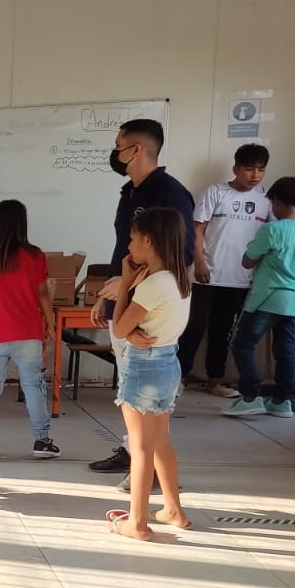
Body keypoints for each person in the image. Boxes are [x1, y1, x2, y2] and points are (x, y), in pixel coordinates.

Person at [88, 119, 194, 476]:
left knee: (147, 391)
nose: (114, 153)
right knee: (128, 382)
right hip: (125, 301)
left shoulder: (170, 194)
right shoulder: (129, 193)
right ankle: (131, 449)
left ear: (136, 150)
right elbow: (123, 249)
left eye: (118, 146)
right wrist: (108, 293)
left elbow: (182, 254)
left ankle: (145, 461)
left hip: (149, 306)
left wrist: (129, 286)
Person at [105, 208, 193, 540]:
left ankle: (137, 523)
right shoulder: (178, 279)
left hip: (144, 366)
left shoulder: (151, 284)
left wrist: (125, 284)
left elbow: (120, 326)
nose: (128, 245)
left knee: (140, 448)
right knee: (160, 443)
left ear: (148, 240)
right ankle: (173, 509)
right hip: (169, 362)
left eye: (131, 238)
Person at [0, 200, 60, 461]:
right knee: (33, 386)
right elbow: (43, 294)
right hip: (28, 333)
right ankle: (42, 440)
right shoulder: (35, 255)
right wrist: (50, 324)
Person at [181, 144, 271, 394]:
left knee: (222, 330)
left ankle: (215, 379)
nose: (255, 175)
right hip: (207, 274)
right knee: (194, 327)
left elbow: (269, 237)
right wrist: (199, 262)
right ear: (236, 168)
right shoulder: (216, 192)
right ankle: (178, 375)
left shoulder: (265, 199)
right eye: (249, 169)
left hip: (240, 279)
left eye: (261, 170)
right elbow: (197, 229)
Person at [224, 176, 295, 419]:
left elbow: (248, 260)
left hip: (267, 298)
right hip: (294, 302)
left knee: (242, 344)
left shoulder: (272, 229)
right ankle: (282, 401)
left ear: (277, 202)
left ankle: (250, 395)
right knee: (286, 351)